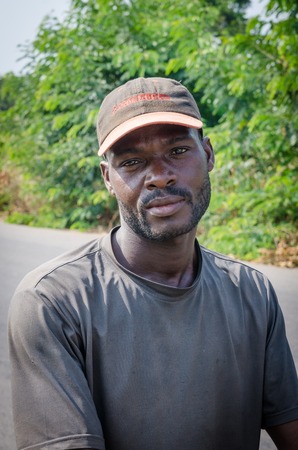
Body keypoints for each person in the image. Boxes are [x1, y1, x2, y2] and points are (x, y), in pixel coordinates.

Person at [8, 77, 298, 450]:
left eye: (177, 151)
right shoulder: (51, 302)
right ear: (108, 178)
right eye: (131, 162)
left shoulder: (251, 291)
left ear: (208, 155)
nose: (159, 177)